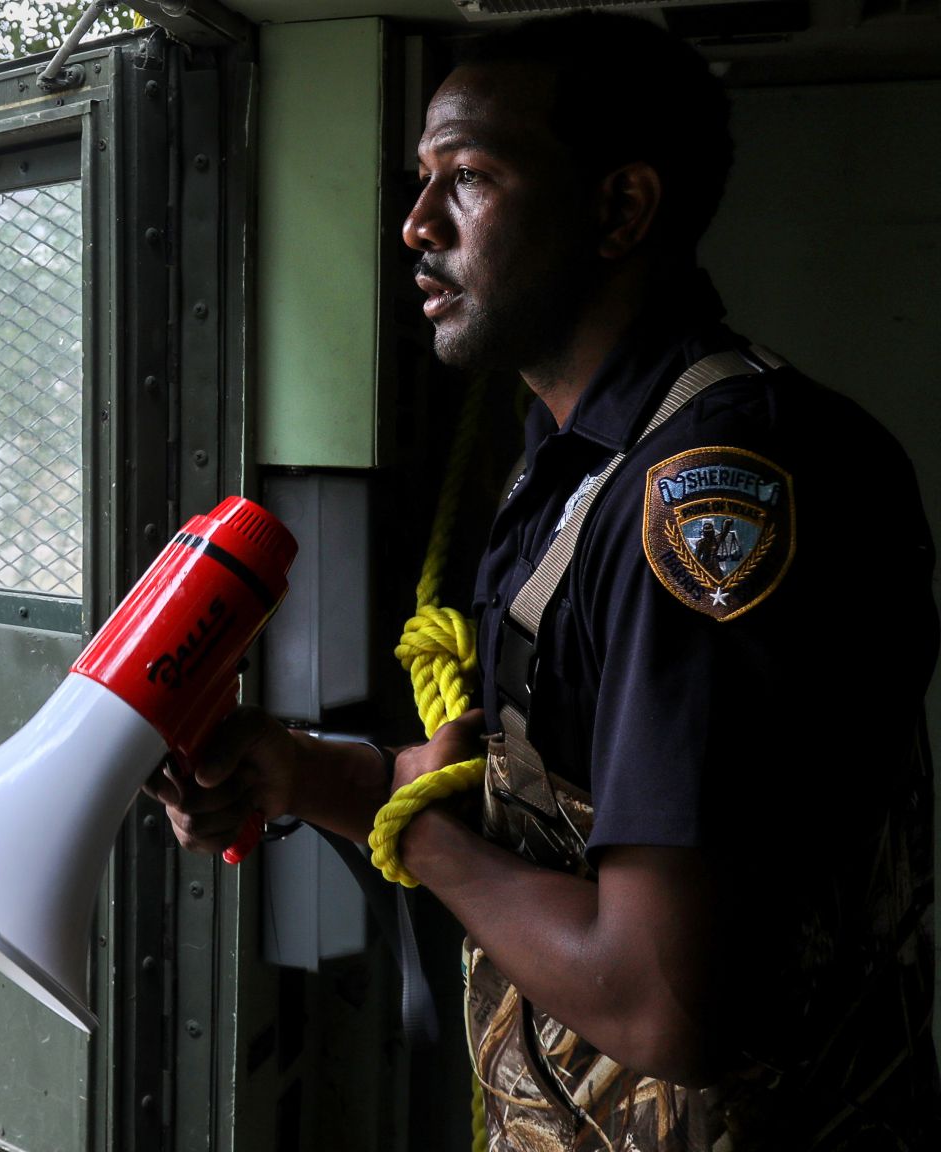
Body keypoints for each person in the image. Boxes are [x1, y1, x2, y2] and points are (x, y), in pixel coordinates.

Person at [144, 13, 937, 1150]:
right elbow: (544, 805)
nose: (414, 225)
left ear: (619, 209)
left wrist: (409, 832)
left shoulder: (706, 493)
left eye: (465, 178)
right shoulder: (574, 456)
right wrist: (299, 772)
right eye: (419, 181)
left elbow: (660, 1000)